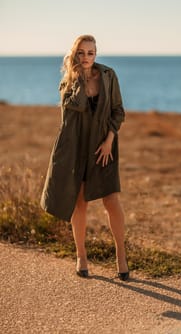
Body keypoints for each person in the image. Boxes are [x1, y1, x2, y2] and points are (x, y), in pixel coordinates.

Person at [40, 34, 129, 281]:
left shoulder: (109, 76)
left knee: (112, 200)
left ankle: (121, 255)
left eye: (91, 53)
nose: (87, 57)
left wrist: (109, 140)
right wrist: (77, 77)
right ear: (75, 55)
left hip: (104, 147)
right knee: (80, 201)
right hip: (77, 147)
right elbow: (74, 109)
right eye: (81, 53)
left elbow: (118, 111)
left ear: (96, 54)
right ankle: (81, 256)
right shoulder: (67, 83)